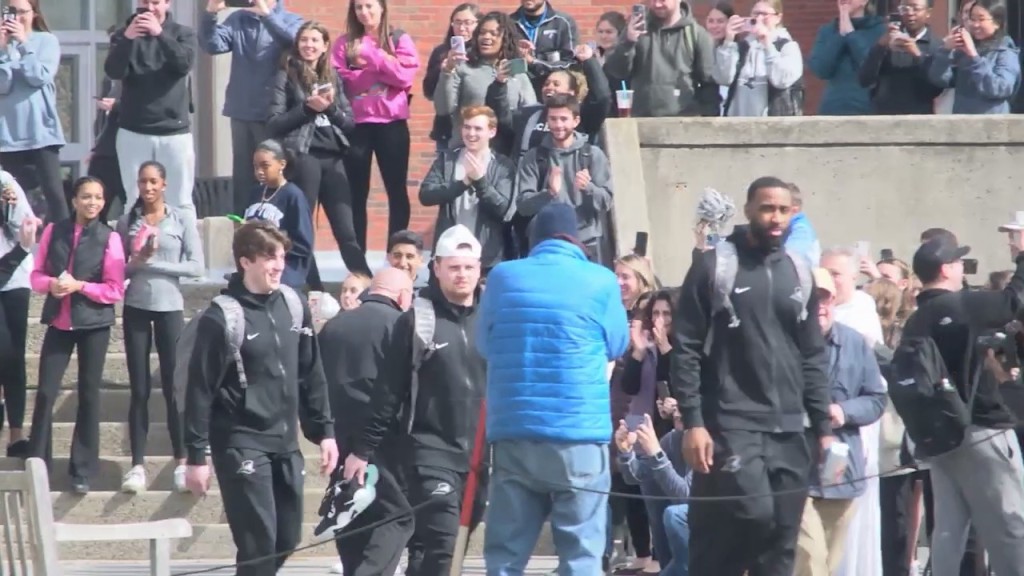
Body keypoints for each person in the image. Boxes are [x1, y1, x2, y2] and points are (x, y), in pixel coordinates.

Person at [672, 176, 835, 575]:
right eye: (767, 208)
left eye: (783, 209)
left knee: (783, 535)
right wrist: (693, 422)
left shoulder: (799, 271)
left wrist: (824, 426)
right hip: (733, 422)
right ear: (748, 210)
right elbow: (686, 347)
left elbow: (812, 354)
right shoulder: (716, 265)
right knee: (754, 515)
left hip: (791, 427)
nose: (775, 217)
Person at [478, 203, 629, 574]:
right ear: (576, 240)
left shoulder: (503, 276)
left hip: (515, 430)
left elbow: (484, 343)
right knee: (581, 555)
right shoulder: (600, 279)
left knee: (505, 556)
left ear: (534, 240)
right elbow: (618, 344)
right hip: (579, 433)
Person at [183, 220, 338, 576]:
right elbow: (198, 391)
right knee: (258, 543)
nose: (279, 265)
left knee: (286, 538)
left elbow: (311, 373)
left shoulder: (293, 305)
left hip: (284, 441)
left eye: (281, 256)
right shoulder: (222, 317)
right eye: (269, 257)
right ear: (245, 261)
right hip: (241, 442)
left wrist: (325, 432)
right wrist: (196, 456)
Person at [345, 224, 487, 576]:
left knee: (447, 550)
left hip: (481, 454)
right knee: (445, 545)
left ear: (479, 270)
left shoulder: (492, 319)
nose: (462, 275)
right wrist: (362, 450)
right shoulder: (417, 321)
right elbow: (388, 390)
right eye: (453, 267)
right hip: (430, 452)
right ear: (436, 268)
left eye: (469, 267)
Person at [903, 231, 1024, 576]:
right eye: (958, 261)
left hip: (942, 435)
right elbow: (1014, 301)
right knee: (1010, 526)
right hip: (983, 430)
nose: (962, 267)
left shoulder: (917, 318)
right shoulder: (961, 304)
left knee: (948, 529)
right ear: (945, 269)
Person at [25, 177, 126, 494]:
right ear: (74, 200)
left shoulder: (109, 238)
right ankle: (37, 464)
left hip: (93, 323)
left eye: (98, 197)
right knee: (45, 392)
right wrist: (51, 285)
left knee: (89, 394)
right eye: (86, 197)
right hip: (59, 321)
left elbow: (115, 289)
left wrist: (81, 286)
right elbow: (36, 274)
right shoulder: (55, 231)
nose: (93, 203)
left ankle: (82, 470)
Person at [318, 267, 414, 576]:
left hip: (339, 434)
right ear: (402, 295)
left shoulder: (333, 327)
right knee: (396, 516)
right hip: (381, 437)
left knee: (352, 513)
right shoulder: (399, 324)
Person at [117, 161, 204, 494]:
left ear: (164, 184)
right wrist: (135, 263)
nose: (148, 187)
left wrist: (156, 262)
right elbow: (118, 271)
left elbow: (197, 265)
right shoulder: (128, 221)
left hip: (170, 308)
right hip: (136, 307)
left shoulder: (180, 218)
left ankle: (181, 461)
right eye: (143, 182)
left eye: (154, 181)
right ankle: (137, 464)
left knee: (173, 386)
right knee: (139, 388)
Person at [267, 20, 370, 286]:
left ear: (325, 46)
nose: (309, 45)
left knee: (346, 229)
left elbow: (349, 124)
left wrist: (330, 107)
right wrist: (308, 108)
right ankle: (314, 288)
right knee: (303, 228)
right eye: (304, 40)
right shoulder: (286, 74)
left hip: (334, 158)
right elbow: (274, 123)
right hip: (303, 156)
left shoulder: (333, 76)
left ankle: (367, 284)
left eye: (315, 40)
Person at [199, 0, 303, 214]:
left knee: (273, 175)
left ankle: (273, 231)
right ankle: (242, 234)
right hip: (242, 111)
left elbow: (294, 46)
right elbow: (212, 45)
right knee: (244, 179)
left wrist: (267, 16)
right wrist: (210, 14)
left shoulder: (292, 20)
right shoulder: (238, 19)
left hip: (274, 115)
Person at [332, 0, 420, 250]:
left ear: (382, 8)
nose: (365, 12)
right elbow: (345, 84)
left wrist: (371, 57)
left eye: (370, 6)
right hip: (357, 126)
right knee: (356, 194)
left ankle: (397, 252)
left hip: (391, 124)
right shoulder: (344, 43)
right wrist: (383, 68)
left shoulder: (399, 38)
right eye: (359, 7)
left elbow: (404, 77)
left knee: (396, 190)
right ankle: (357, 259)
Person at [104, 0, 197, 221]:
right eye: (145, 2)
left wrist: (160, 34)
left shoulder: (183, 33)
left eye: (155, 2)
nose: (150, 8)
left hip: (174, 131)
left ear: (167, 3)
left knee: (180, 200)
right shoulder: (123, 35)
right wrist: (127, 39)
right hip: (133, 130)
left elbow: (184, 64)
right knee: (134, 198)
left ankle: (186, 251)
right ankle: (134, 249)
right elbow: (113, 71)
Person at [515, 94, 615, 266]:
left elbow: (606, 202)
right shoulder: (534, 157)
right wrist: (549, 193)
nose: (558, 125)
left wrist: (588, 187)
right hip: (545, 243)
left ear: (575, 121)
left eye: (563, 119)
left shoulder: (592, 154)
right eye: (553, 119)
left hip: (586, 241)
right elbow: (523, 207)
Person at [419, 105, 515, 273]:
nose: (471, 134)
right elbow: (426, 195)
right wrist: (461, 184)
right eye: (467, 127)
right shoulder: (447, 160)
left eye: (478, 129)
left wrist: (480, 181)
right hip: (449, 253)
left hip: (486, 257)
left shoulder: (503, 165)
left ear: (491, 132)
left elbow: (503, 209)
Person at [0, 0, 67, 222]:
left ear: (34, 13)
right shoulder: (2, 45)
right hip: (8, 136)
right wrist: (2, 50)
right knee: (12, 200)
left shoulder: (46, 41)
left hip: (40, 133)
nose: (16, 17)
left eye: (22, 12)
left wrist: (23, 44)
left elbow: (38, 76)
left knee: (54, 197)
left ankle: (61, 250)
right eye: (11, 12)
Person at [242, 140, 314, 290]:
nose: (259, 171)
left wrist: (272, 248)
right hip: (255, 270)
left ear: (281, 164)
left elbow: (304, 244)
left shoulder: (293, 195)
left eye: (265, 166)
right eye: (256, 167)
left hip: (283, 275)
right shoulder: (255, 193)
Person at [0, 168, 36, 457]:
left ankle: (16, 434)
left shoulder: (6, 182)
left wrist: (8, 207)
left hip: (14, 279)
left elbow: (26, 231)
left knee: (14, 354)